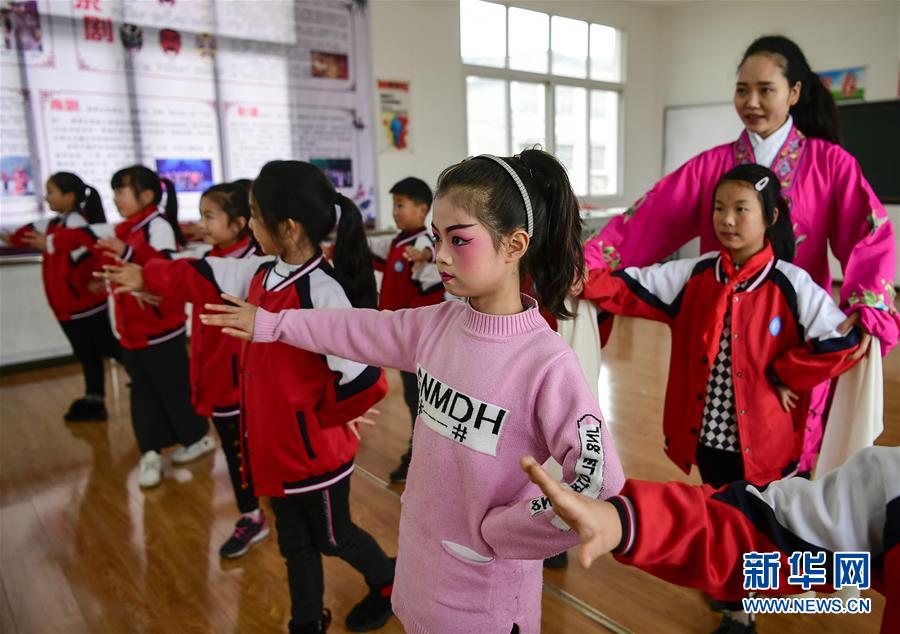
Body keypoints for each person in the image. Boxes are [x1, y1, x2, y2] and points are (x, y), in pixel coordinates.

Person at [201, 150, 625, 633]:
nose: (440, 254)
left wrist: (504, 531)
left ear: (514, 245)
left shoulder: (545, 362)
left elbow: (596, 480)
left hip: (486, 603)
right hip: (420, 579)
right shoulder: (438, 325)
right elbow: (356, 329)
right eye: (436, 238)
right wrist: (272, 323)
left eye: (459, 239)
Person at [583, 35, 899, 473]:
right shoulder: (710, 167)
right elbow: (645, 222)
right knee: (721, 455)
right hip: (722, 337)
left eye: (766, 89)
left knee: (787, 466)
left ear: (794, 93)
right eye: (742, 89)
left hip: (793, 341)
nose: (751, 101)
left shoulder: (832, 165)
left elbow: (870, 235)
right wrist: (587, 265)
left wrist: (868, 305)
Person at [104, 161, 395, 633]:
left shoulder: (321, 289)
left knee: (334, 536)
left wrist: (323, 418)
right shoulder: (260, 271)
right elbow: (200, 274)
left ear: (288, 227)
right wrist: (146, 277)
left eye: (255, 215)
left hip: (315, 456)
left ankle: (387, 581)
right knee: (294, 544)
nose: (250, 224)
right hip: (274, 452)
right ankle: (307, 622)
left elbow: (364, 379)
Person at [520, 445, 899, 634]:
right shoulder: (889, 484)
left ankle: (739, 614)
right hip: (715, 438)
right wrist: (626, 519)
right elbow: (751, 531)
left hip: (761, 444)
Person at [2, 172, 121, 421]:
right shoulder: (56, 223)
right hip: (67, 305)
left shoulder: (76, 224)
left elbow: (93, 254)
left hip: (83, 305)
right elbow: (21, 235)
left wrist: (95, 278)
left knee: (101, 350)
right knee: (91, 352)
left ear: (70, 196)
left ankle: (141, 383)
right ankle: (96, 398)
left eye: (51, 192)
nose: (47, 197)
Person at [370, 176, 443, 483]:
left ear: (423, 208)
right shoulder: (397, 242)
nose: (395, 211)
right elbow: (371, 250)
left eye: (401, 205)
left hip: (418, 342)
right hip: (400, 341)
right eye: (394, 204)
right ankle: (422, 452)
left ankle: (422, 455)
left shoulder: (425, 242)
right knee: (413, 399)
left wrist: (425, 255)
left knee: (421, 400)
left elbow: (432, 256)